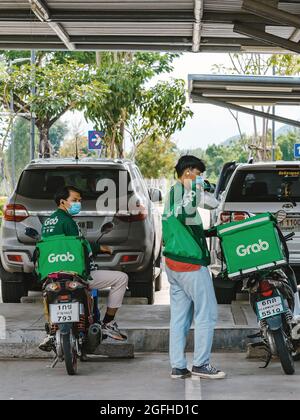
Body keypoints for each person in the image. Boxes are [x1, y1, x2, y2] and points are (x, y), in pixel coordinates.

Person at [39, 185, 128, 351]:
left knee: (47, 295)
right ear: (62, 201)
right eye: (74, 200)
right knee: (121, 278)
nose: (78, 203)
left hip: (52, 275)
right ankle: (108, 323)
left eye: (80, 200)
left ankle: (51, 332)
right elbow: (77, 248)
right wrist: (97, 248)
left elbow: (58, 246)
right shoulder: (67, 222)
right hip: (74, 274)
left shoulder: (50, 222)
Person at [162, 155, 226, 380]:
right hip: (189, 263)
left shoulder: (172, 194)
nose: (201, 178)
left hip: (172, 262)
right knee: (206, 314)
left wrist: (208, 232)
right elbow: (212, 204)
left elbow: (184, 224)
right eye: (198, 174)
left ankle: (178, 367)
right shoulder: (186, 193)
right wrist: (203, 188)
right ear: (188, 172)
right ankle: (201, 363)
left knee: (179, 317)